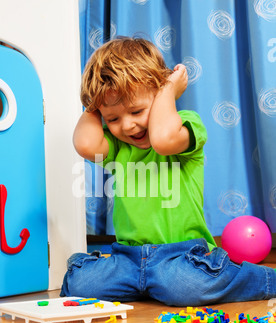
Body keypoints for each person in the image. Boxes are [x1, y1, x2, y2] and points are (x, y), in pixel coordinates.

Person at [60, 37, 276, 306]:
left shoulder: (185, 126)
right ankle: (147, 286)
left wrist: (167, 90)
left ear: (160, 92)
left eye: (137, 111)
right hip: (128, 257)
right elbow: (85, 144)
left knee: (187, 287)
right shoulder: (117, 146)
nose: (127, 126)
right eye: (113, 119)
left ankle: (266, 279)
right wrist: (94, 103)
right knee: (80, 284)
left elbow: (162, 139)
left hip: (181, 256)